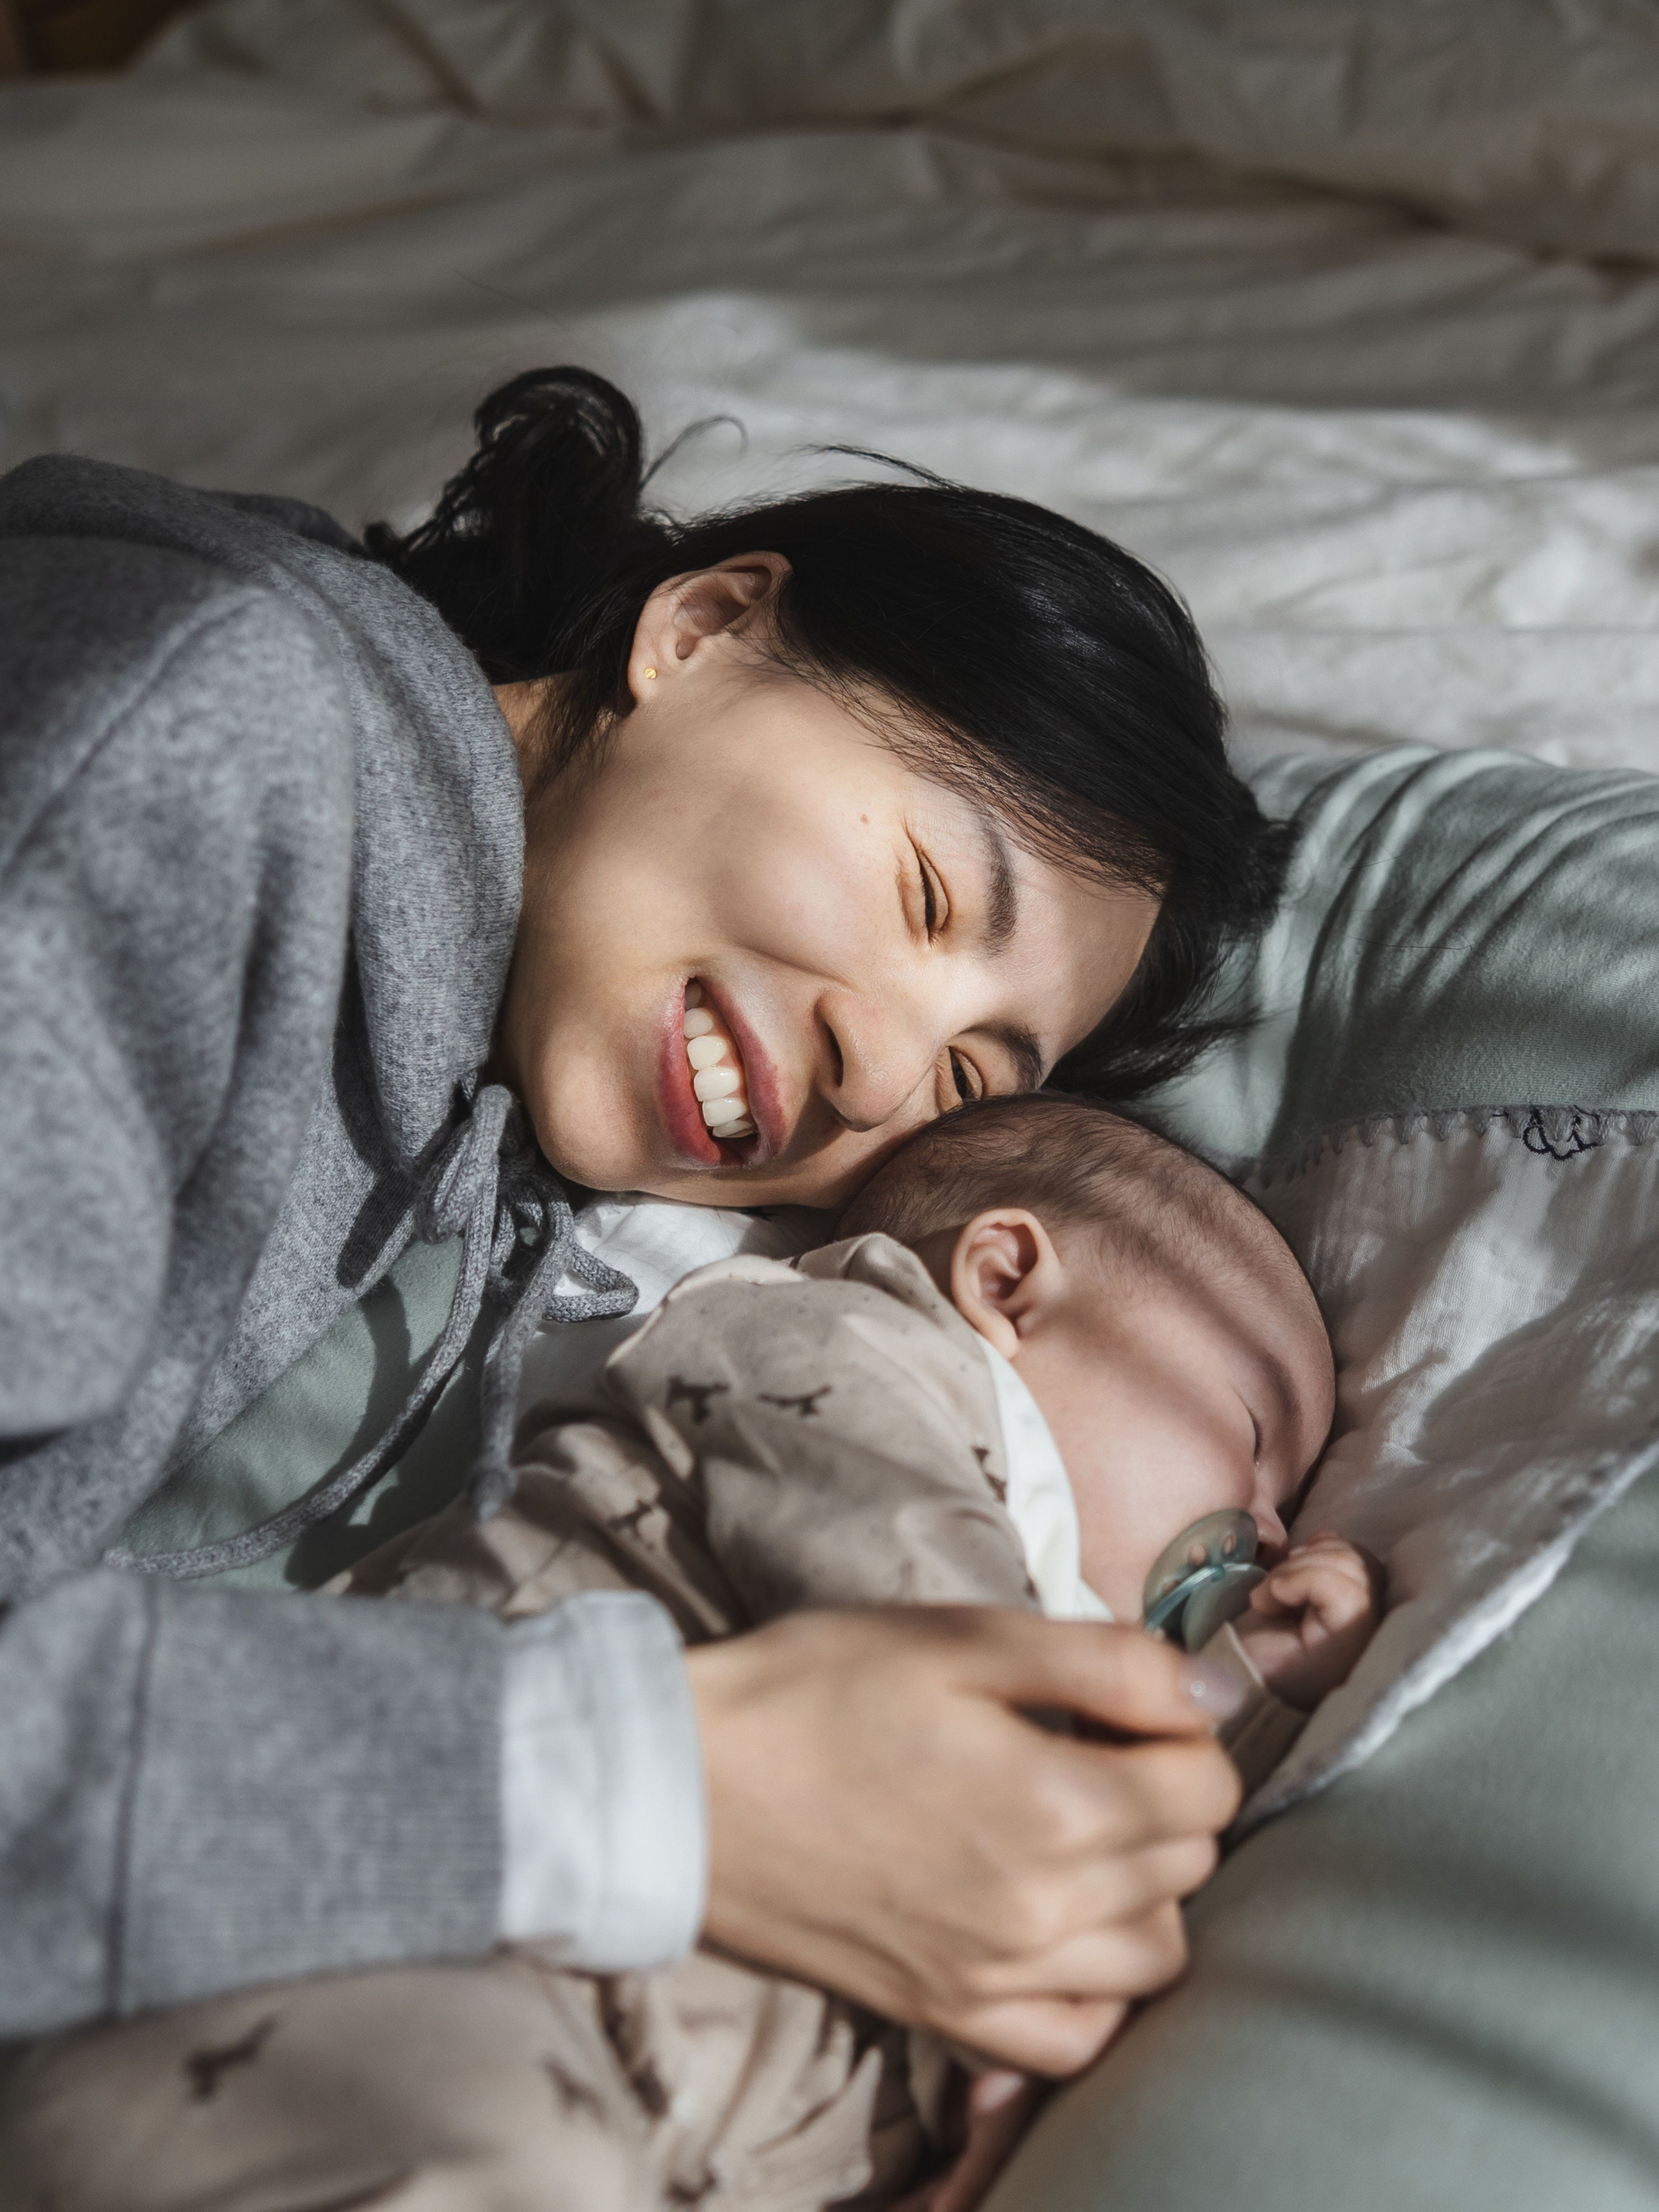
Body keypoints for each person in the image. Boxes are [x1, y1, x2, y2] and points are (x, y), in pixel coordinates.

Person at [0, 367, 1286, 2060]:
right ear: (707, 626)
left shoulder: (475, 1045)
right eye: (921, 889)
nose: (879, 1068)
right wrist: (657, 1784)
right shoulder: (195, 725)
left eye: (975, 1079)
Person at [0, 1095, 1375, 2212]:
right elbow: (915, 1608)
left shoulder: (1051, 1610)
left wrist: (1243, 1682)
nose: (1262, 1521)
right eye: (1253, 1438)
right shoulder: (840, 1347)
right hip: (410, 1949)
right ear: (1007, 1279)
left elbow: (1113, 1816)